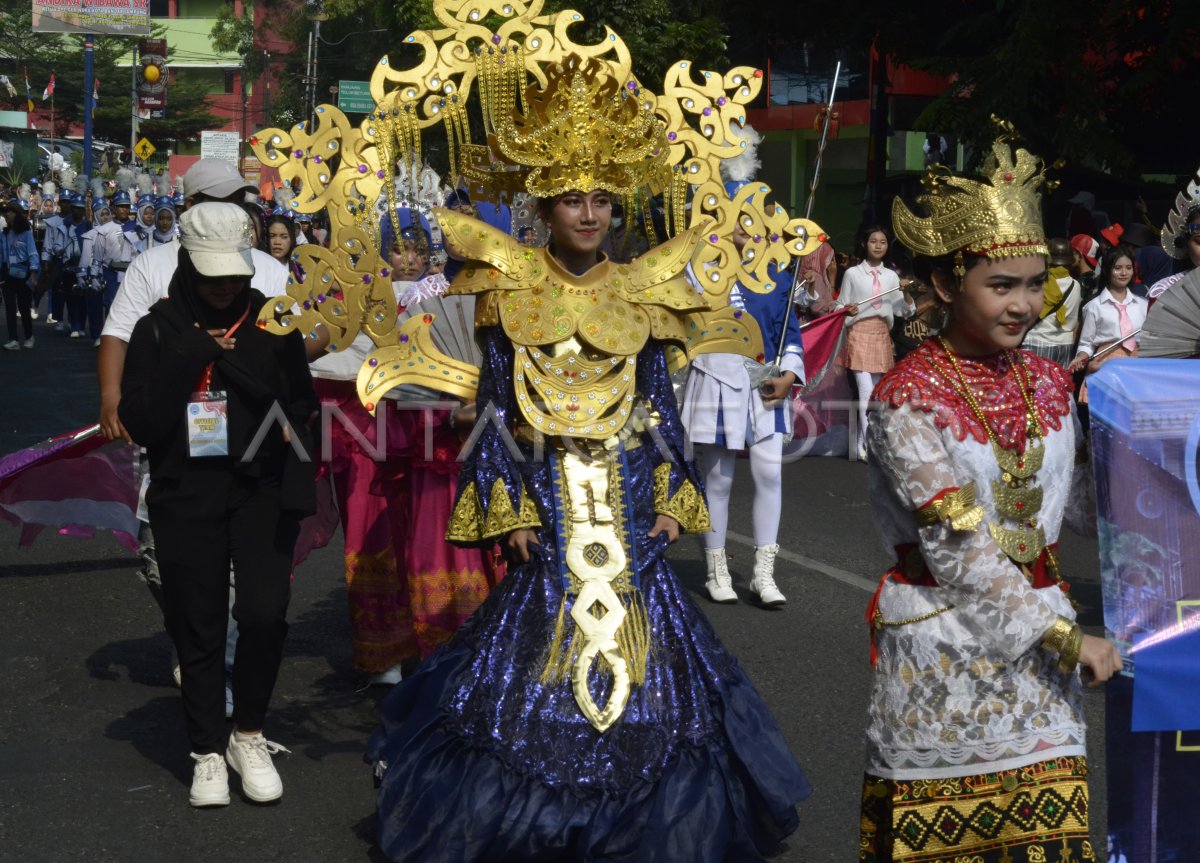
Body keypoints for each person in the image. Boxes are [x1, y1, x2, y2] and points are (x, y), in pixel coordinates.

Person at [362, 49, 811, 860]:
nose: (591, 211)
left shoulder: (645, 289)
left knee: (650, 644)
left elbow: (662, 410)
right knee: (534, 639)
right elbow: (495, 411)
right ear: (543, 204)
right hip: (549, 485)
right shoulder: (505, 290)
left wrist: (676, 498)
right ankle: (528, 811)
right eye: (573, 197)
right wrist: (513, 507)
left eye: (603, 196)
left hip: (629, 483)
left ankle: (640, 817)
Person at [862, 131, 1123, 862]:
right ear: (946, 284)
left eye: (1035, 283)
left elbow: (1082, 509)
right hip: (944, 657)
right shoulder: (905, 398)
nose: (1023, 304)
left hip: (1042, 660)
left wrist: (1155, 463)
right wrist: (1072, 639)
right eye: (1000, 285)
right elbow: (959, 552)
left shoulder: (1046, 380)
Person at [118, 202, 318, 808]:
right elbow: (141, 420)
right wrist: (189, 355)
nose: (227, 285)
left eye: (235, 272)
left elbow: (303, 401)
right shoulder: (158, 328)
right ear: (186, 263)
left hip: (261, 488)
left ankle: (248, 734)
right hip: (187, 491)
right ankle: (207, 748)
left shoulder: (273, 322)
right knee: (197, 621)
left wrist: (295, 428)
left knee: (263, 612)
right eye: (213, 275)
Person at [680, 182, 814, 608]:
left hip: (766, 385)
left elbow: (789, 334)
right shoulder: (698, 271)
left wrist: (790, 375)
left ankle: (763, 573)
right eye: (736, 214)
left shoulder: (777, 275)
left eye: (752, 215)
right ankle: (715, 569)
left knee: (770, 474)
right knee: (718, 480)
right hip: (714, 382)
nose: (744, 225)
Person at [837, 225, 915, 460]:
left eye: (882, 242)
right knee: (865, 391)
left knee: (877, 394)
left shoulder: (892, 277)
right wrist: (847, 310)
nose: (878, 245)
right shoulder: (852, 273)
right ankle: (868, 445)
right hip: (859, 332)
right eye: (873, 241)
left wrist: (907, 293)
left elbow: (905, 311)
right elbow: (839, 305)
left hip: (882, 335)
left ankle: (865, 443)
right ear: (864, 244)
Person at [1068, 243, 1146, 378]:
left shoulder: (1142, 304)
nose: (1124, 273)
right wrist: (1081, 357)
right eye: (1117, 268)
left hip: (1138, 366)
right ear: (1106, 270)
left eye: (1128, 268)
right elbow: (1086, 343)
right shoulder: (1093, 306)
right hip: (1105, 366)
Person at [1023, 237, 1082, 367]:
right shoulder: (1076, 285)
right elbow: (1072, 319)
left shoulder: (1040, 283)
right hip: (1064, 345)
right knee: (1059, 386)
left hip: (1038, 341)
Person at [1, 200, 40, 350]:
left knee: (24, 307)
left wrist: (33, 273)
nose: (7, 215)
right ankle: (13, 339)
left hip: (23, 272)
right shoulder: (5, 234)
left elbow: (32, 253)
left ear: (17, 215)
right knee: (10, 306)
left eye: (10, 212)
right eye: (6, 212)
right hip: (9, 273)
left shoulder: (26, 232)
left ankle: (29, 336)